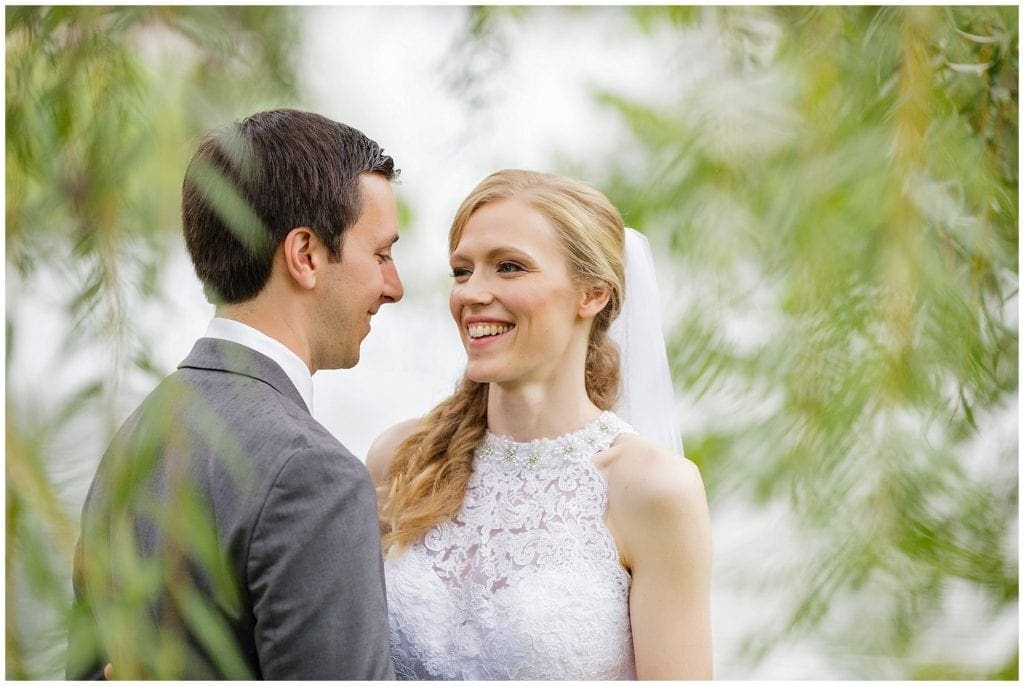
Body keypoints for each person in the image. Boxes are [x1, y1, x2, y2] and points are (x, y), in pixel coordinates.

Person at [66, 109, 403, 680]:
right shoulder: (314, 476)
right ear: (305, 256)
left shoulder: (140, 433)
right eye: (381, 254)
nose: (392, 287)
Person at [368, 169, 713, 680]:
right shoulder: (401, 456)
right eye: (462, 272)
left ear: (592, 294)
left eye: (509, 267)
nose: (472, 294)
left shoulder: (653, 488)